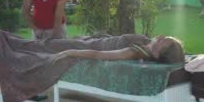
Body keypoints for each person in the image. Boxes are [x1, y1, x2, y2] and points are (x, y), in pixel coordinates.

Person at [52, 35, 185, 64]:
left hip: (88, 46)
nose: (160, 36)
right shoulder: (146, 45)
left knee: (48, 44)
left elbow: (98, 55)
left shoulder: (134, 52)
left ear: (156, 54)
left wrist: (68, 52)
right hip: (93, 39)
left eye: (162, 40)